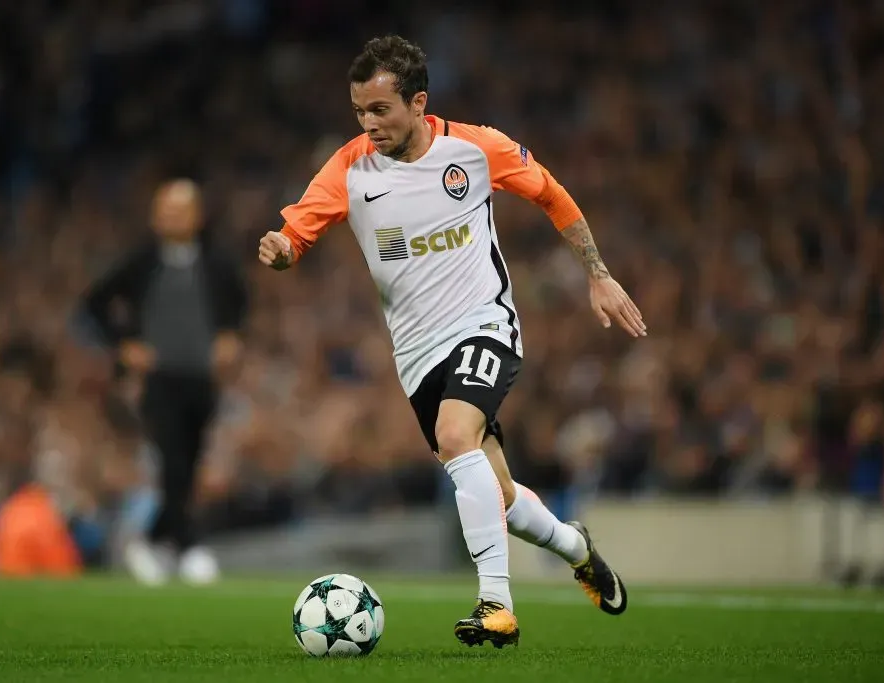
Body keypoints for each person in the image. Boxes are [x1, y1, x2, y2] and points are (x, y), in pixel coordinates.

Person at [259, 36, 644, 647]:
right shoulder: (350, 168)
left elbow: (550, 193)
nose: (368, 124)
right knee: (499, 493)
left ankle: (497, 605)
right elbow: (297, 234)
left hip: (484, 324)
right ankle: (577, 547)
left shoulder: (476, 148)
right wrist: (282, 249)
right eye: (359, 111)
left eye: (380, 109)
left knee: (456, 435)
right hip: (417, 355)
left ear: (418, 103)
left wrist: (597, 274)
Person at [84, 179, 248, 585]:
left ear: (198, 216)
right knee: (172, 459)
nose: (172, 218)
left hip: (202, 378)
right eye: (165, 211)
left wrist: (229, 335)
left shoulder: (216, 264)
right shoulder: (142, 262)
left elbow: (239, 303)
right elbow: (96, 302)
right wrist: (124, 343)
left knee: (188, 466)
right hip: (158, 380)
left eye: (180, 210)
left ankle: (151, 540)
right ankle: (190, 546)